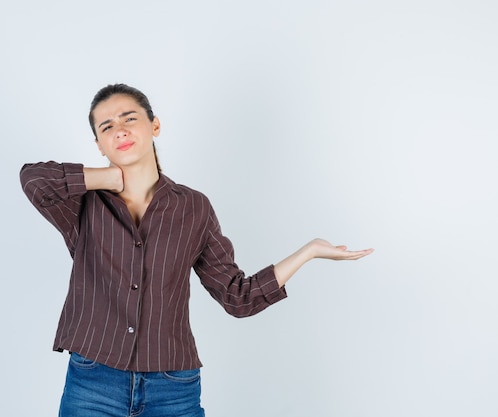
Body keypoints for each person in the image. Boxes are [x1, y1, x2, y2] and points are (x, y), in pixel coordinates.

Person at [20, 83, 373, 417]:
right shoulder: (82, 204)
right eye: (107, 126)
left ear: (154, 125)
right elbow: (33, 180)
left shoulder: (194, 208)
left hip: (172, 387)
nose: (120, 131)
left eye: (130, 118)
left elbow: (238, 297)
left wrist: (308, 251)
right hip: (93, 379)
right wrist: (109, 178)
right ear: (99, 143)